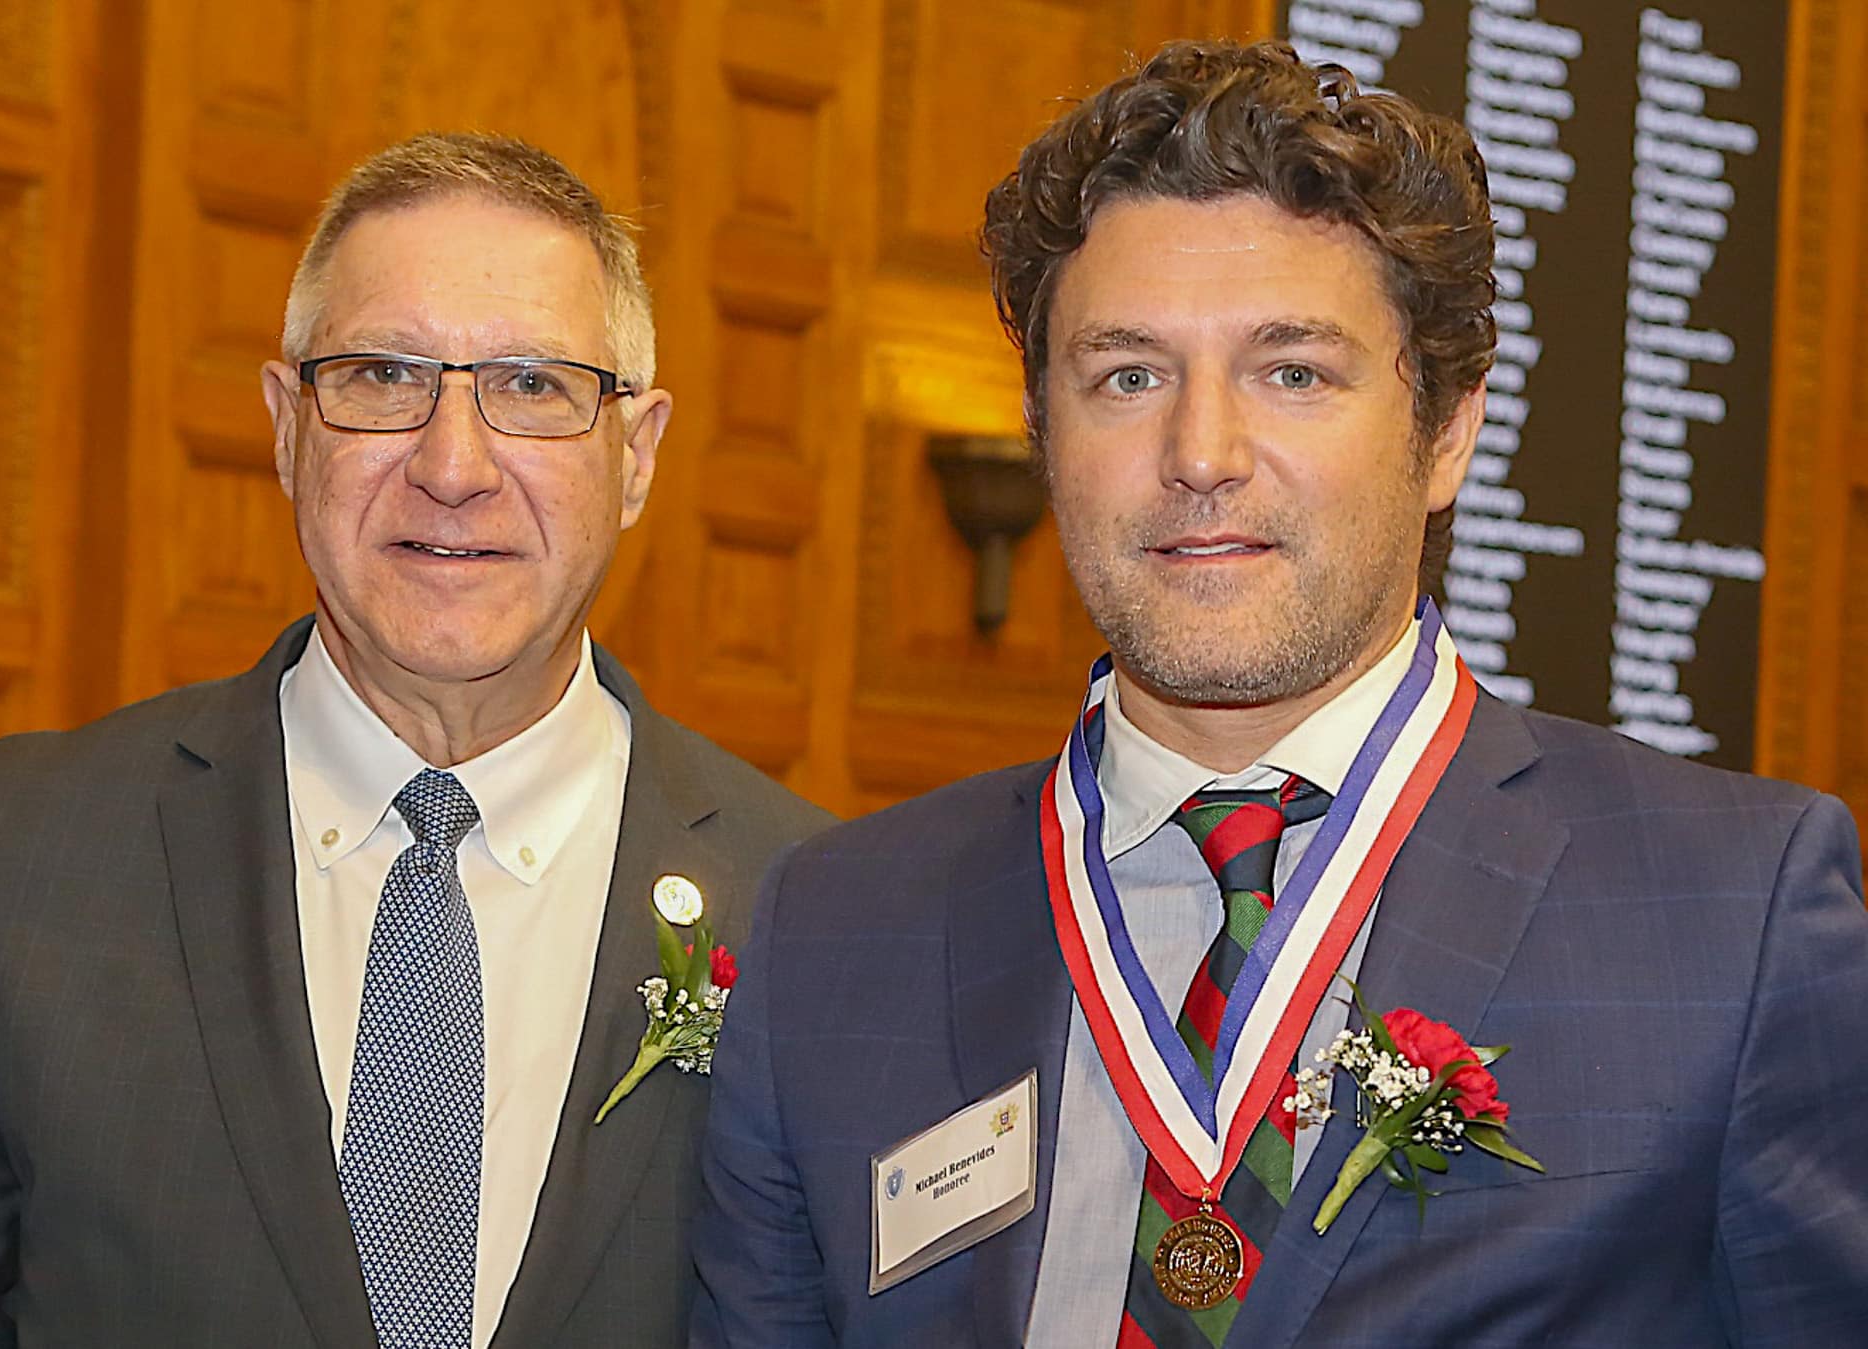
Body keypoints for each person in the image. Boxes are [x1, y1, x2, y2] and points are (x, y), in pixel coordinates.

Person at [691, 40, 1868, 1348]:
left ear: (1449, 430)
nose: (1201, 453)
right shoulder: (834, 934)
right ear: (1043, 434)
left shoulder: (1728, 916)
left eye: (1292, 371)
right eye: (1126, 375)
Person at [0, 132, 829, 1349]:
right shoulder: (7, 856)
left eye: (533, 384)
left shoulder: (819, 909)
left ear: (636, 455)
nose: (453, 465)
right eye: (380, 375)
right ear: (284, 425)